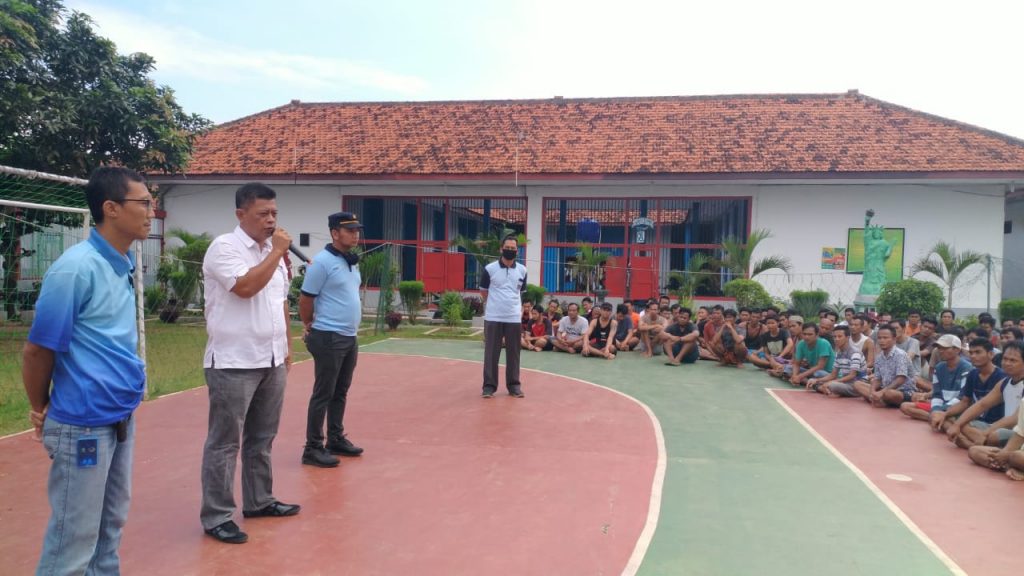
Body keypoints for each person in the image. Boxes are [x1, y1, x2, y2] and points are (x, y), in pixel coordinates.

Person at [23, 168, 152, 573]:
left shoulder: (121, 262)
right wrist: (40, 406)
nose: (151, 211)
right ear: (111, 208)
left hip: (119, 415)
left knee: (109, 528)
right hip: (83, 424)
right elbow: (38, 350)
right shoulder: (76, 269)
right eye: (144, 203)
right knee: (73, 541)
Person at [200, 183, 300, 544]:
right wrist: (277, 252)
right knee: (225, 443)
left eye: (274, 213)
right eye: (263, 214)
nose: (271, 220)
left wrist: (287, 347)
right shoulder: (224, 248)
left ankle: (259, 500)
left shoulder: (273, 253)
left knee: (262, 437)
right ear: (241, 214)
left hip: (271, 358)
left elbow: (280, 302)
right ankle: (217, 516)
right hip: (233, 361)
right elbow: (245, 288)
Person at [298, 212, 365, 469]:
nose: (355, 234)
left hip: (348, 336)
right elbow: (306, 299)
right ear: (335, 233)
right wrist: (308, 323)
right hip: (328, 336)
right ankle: (312, 447)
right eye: (349, 230)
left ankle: (335, 438)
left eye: (357, 230)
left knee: (340, 391)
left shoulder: (350, 261)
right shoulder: (322, 263)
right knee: (323, 393)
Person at [944, 340, 1023, 449]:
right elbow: (982, 404)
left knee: (993, 436)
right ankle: (982, 447)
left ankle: (977, 446)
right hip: (1004, 430)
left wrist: (985, 433)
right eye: (1005, 359)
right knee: (959, 422)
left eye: (1013, 360)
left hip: (1020, 433)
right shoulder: (1004, 383)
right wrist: (957, 425)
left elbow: (1015, 418)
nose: (1007, 363)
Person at [932, 338, 1007, 448]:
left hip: (995, 424)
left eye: (978, 352)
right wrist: (944, 414)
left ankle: (969, 443)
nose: (973, 356)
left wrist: (958, 424)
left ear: (990, 354)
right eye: (971, 353)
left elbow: (983, 405)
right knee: (947, 419)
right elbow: (965, 402)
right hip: (977, 421)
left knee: (960, 425)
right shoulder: (973, 374)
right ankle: (974, 443)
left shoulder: (1002, 377)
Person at [480, 235, 528, 398]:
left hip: (513, 318)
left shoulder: (522, 270)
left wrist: (515, 309)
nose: (510, 250)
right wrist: (495, 305)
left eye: (513, 248)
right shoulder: (490, 269)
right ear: (501, 249)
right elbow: (484, 291)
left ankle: (514, 386)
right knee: (491, 353)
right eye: (507, 248)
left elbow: (521, 292)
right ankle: (489, 386)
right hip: (493, 317)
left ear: (517, 251)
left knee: (514, 353)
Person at [900, 334, 971, 422]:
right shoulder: (939, 367)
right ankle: (939, 419)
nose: (940, 351)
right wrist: (936, 409)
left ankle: (940, 418)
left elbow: (962, 398)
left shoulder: (967, 368)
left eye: (945, 348)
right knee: (905, 406)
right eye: (939, 348)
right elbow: (937, 394)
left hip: (957, 407)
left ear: (957, 350)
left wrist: (941, 409)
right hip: (941, 405)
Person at [854, 325, 916, 408]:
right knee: (857, 384)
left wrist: (882, 392)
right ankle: (878, 399)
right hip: (885, 388)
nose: (882, 341)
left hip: (903, 391)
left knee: (889, 393)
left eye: (885, 338)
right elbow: (877, 379)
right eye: (879, 338)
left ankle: (880, 400)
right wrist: (872, 391)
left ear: (894, 339)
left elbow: (900, 379)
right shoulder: (879, 357)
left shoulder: (900, 355)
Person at [809, 326, 865, 397]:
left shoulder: (855, 353)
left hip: (857, 385)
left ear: (847, 338)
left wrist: (831, 382)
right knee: (814, 380)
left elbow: (852, 375)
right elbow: (833, 375)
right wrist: (816, 380)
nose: (836, 339)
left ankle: (826, 389)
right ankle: (827, 390)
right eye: (834, 337)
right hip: (845, 383)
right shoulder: (838, 353)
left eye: (839, 336)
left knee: (832, 385)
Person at [786, 322, 835, 386]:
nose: (806, 337)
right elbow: (797, 364)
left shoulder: (824, 343)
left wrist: (800, 376)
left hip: (826, 373)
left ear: (817, 335)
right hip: (811, 371)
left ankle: (807, 381)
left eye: (810, 334)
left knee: (818, 373)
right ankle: (808, 382)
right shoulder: (801, 344)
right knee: (788, 368)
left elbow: (820, 366)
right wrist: (794, 375)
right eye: (804, 334)